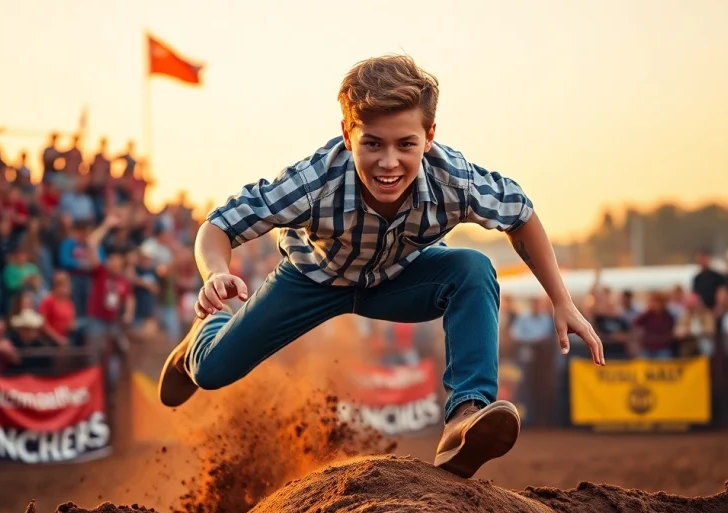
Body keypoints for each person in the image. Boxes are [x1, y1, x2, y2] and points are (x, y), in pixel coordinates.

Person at [158, 55, 604, 479]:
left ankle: (465, 417)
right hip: (313, 280)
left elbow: (521, 215)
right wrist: (215, 273)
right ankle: (204, 337)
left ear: (429, 137)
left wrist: (562, 301)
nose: (388, 163)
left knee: (473, 268)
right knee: (212, 372)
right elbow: (218, 226)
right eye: (372, 144)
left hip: (397, 280)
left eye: (405, 145)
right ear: (348, 134)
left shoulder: (455, 179)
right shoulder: (314, 182)